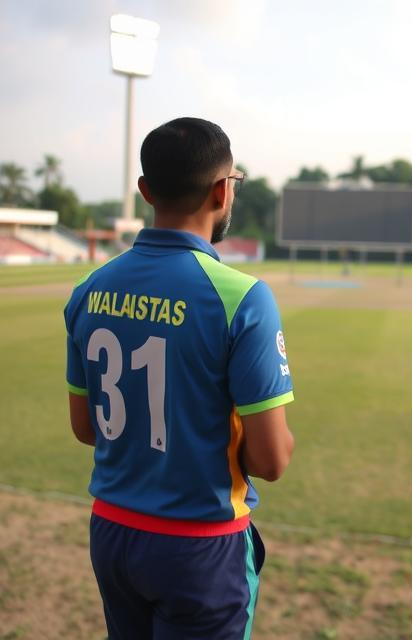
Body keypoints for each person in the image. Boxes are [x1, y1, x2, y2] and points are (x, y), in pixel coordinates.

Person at [64, 117, 295, 639]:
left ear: (145, 191)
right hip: (201, 548)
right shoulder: (242, 297)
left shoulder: (89, 289)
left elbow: (85, 427)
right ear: (221, 191)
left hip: (112, 534)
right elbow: (271, 460)